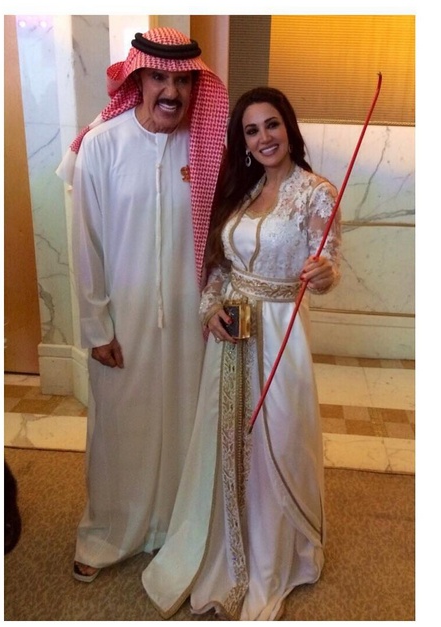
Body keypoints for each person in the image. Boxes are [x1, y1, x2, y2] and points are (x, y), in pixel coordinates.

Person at [142, 86, 342, 620]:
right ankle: (223, 550)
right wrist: (211, 309)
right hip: (231, 336)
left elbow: (327, 267)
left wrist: (324, 273)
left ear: (288, 126)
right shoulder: (242, 189)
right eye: (252, 131)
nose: (263, 138)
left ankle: (273, 556)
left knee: (278, 443)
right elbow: (221, 267)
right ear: (243, 141)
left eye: (271, 124)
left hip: (280, 335)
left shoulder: (317, 193)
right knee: (227, 440)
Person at [56, 27, 229, 583]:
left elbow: (225, 237)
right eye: (159, 77)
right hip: (121, 321)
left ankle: (173, 531)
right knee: (118, 430)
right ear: (139, 78)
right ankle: (108, 534)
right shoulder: (102, 145)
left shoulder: (207, 147)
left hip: (190, 318)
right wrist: (95, 326)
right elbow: (86, 244)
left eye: (183, 81)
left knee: (184, 424)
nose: (172, 92)